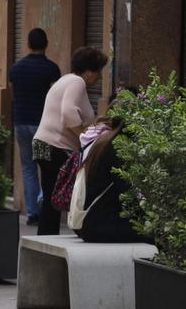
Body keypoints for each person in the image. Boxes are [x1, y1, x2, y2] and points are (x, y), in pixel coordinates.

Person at [32, 46, 108, 236]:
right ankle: (58, 236)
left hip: (42, 144)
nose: (99, 76)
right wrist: (85, 137)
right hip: (55, 145)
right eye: (98, 71)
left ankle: (46, 238)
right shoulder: (77, 82)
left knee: (51, 195)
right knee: (68, 193)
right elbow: (68, 114)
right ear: (89, 70)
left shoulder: (64, 80)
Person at [9, 28, 61, 225]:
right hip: (42, 126)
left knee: (27, 167)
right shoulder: (51, 69)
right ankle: (43, 203)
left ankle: (32, 212)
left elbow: (15, 95)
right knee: (45, 165)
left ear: (28, 44)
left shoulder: (16, 68)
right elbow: (56, 98)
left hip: (22, 124)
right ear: (46, 44)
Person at [73, 115, 145, 243]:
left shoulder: (104, 140)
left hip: (88, 222)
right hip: (100, 226)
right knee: (155, 235)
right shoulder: (118, 147)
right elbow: (126, 192)